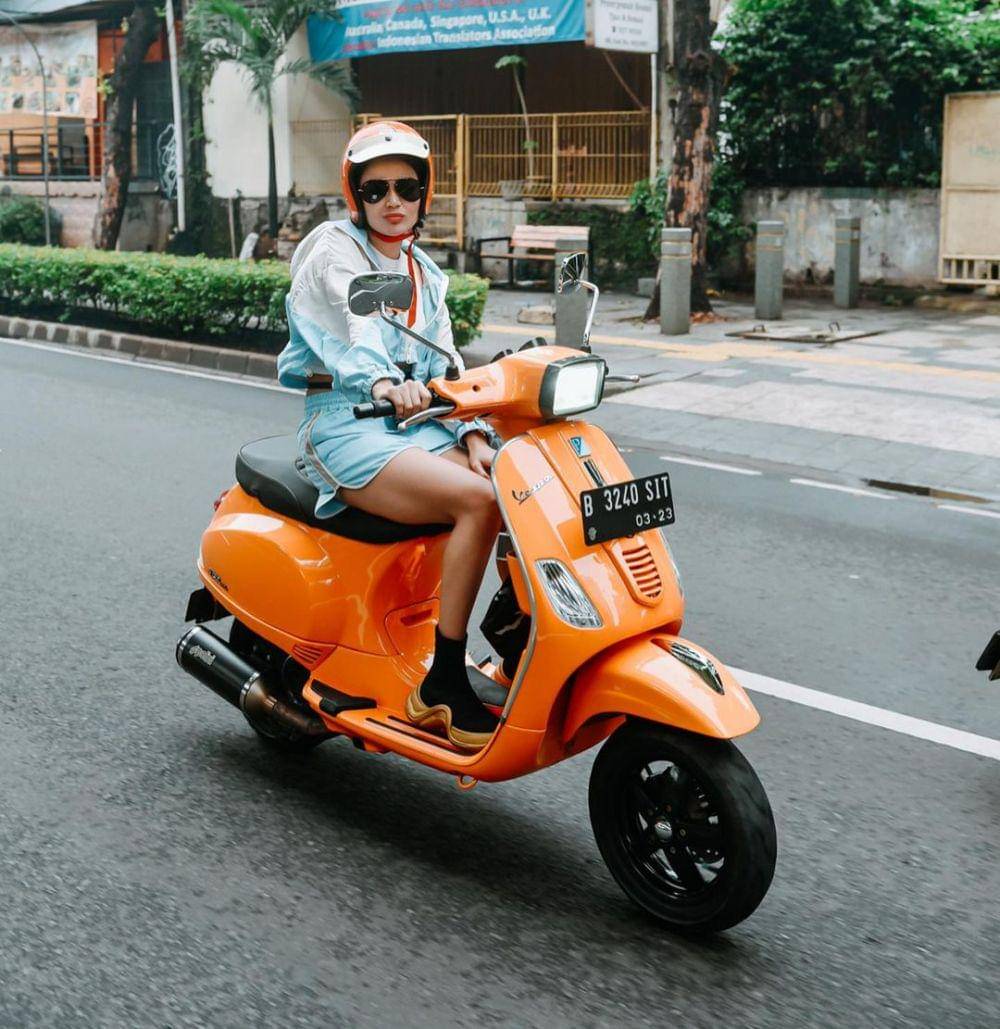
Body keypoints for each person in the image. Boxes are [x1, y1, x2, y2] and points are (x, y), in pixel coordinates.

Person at [276, 121, 503, 751]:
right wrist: (381, 382)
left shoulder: (424, 273)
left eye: (407, 186)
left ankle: (511, 638)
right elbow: (356, 324)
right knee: (478, 501)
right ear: (356, 195)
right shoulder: (333, 249)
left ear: (425, 193)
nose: (393, 201)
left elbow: (448, 366)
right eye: (376, 189)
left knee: (522, 483)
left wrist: (476, 432)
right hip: (345, 424)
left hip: (414, 425)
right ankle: (444, 683)